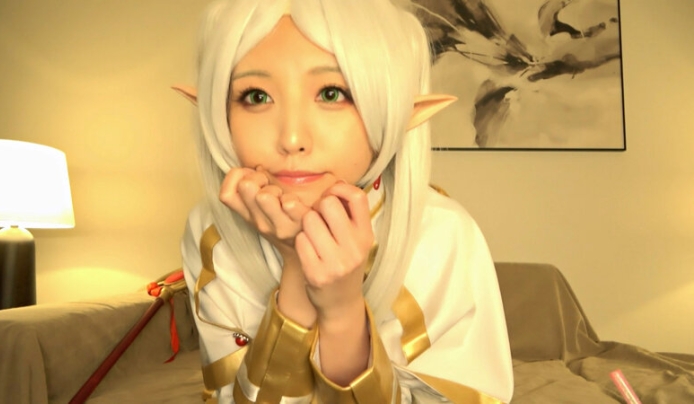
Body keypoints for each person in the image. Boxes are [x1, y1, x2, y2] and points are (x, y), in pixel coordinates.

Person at [177, 0, 514, 402]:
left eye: (332, 93)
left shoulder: (444, 235)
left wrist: (342, 314)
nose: (292, 139)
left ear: (396, 111)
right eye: (256, 96)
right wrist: (297, 273)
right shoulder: (211, 231)